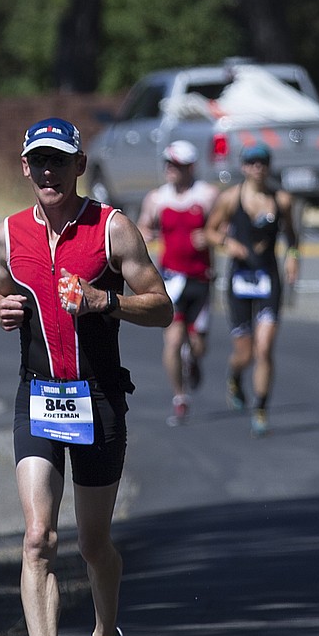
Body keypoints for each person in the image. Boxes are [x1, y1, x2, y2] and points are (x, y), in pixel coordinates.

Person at [0, 116, 172, 636]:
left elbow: (162, 306)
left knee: (94, 544)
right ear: (25, 168)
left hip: (98, 400)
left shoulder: (112, 229)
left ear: (78, 166)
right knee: (38, 535)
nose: (48, 172)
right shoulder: (7, 236)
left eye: (58, 162)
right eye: (38, 162)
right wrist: (1, 308)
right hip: (38, 398)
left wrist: (104, 300)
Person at [204, 141, 300, 438]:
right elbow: (210, 230)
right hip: (240, 282)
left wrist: (293, 258)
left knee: (264, 348)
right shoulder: (231, 198)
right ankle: (235, 376)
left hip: (268, 278)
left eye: (263, 162)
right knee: (244, 353)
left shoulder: (282, 200)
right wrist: (227, 243)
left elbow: (292, 237)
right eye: (252, 162)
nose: (258, 168)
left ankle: (260, 409)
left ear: (269, 166)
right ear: (244, 167)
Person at [137, 140, 219, 426]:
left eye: (177, 165)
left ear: (190, 167)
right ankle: (179, 396)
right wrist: (145, 237)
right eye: (168, 164)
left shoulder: (207, 195)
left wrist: (208, 237)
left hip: (200, 279)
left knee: (198, 343)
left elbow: (223, 229)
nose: (170, 170)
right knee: (172, 341)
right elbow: (144, 226)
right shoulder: (157, 199)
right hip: (171, 280)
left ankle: (193, 360)